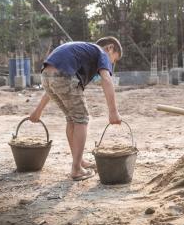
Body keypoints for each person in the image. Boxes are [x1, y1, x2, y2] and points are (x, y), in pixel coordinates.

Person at [28, 37, 123, 181]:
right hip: (64, 76)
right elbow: (106, 79)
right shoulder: (101, 52)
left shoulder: (83, 50)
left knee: (72, 119)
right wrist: (113, 111)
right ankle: (77, 169)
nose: (112, 63)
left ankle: (79, 162)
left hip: (45, 76)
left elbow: (54, 76)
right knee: (82, 119)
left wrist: (38, 111)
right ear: (110, 48)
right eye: (114, 60)